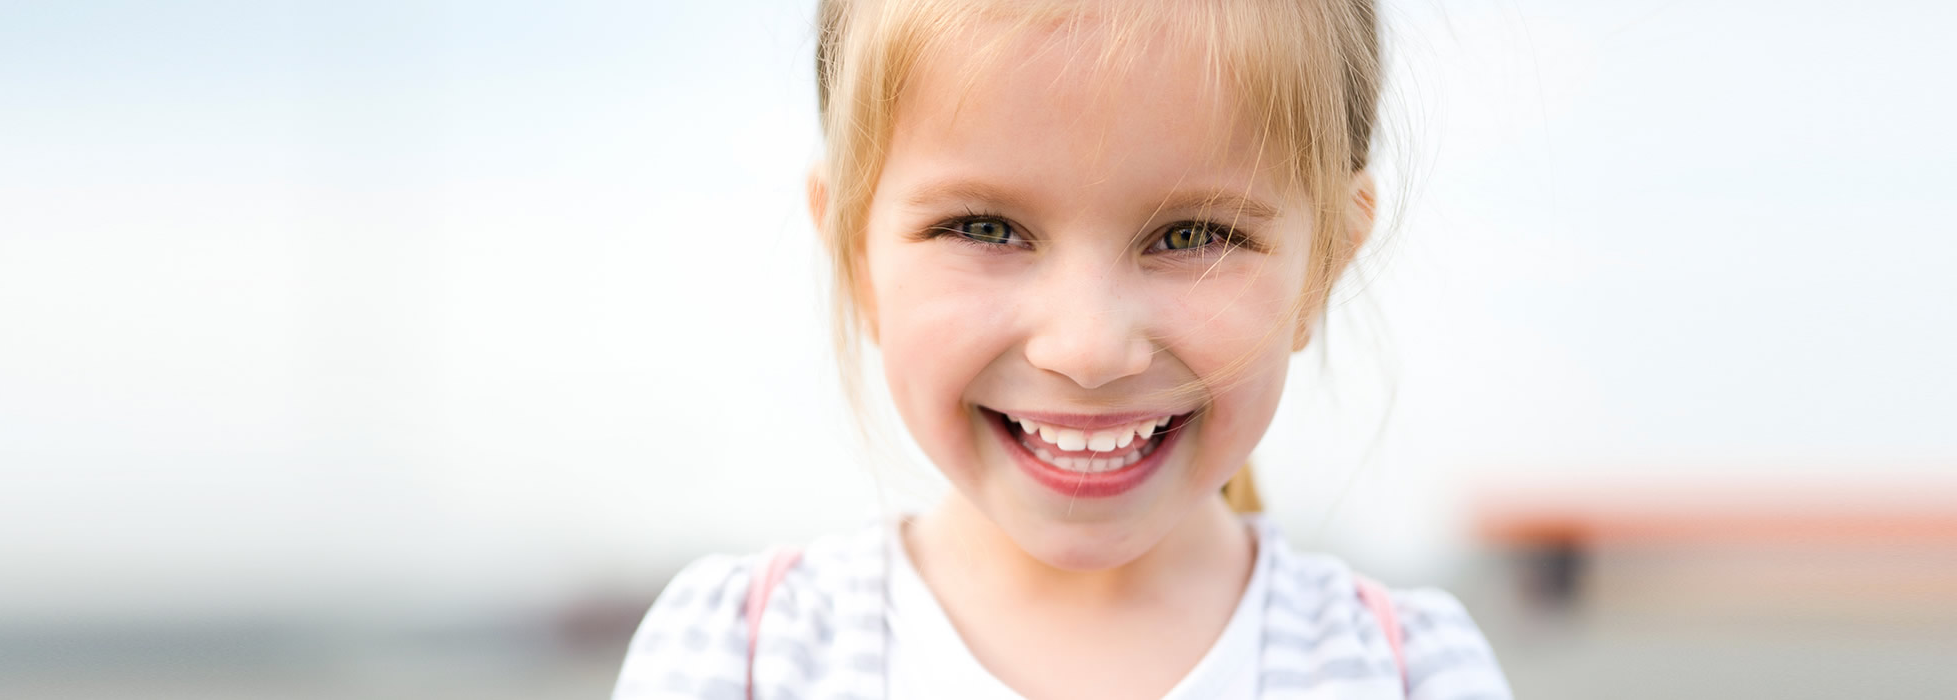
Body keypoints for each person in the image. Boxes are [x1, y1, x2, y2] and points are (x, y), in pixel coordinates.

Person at [614, 0, 1512, 697]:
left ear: (1320, 269)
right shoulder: (741, 659)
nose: (1087, 349)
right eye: (984, 226)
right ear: (858, 255)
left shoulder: (1405, 674)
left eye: (1193, 235)